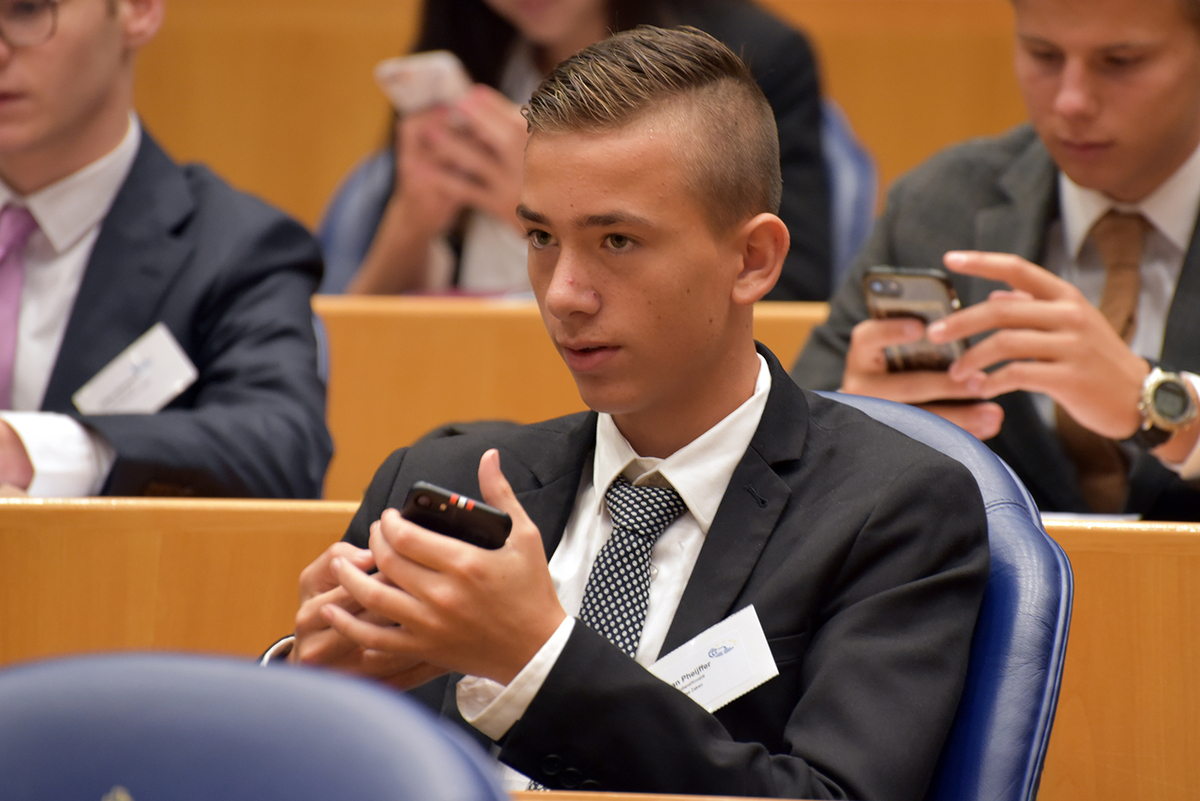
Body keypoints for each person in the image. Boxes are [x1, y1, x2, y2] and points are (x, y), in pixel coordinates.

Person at [272, 27, 989, 800]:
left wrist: (538, 659)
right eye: (541, 236)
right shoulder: (443, 480)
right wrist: (299, 689)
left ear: (753, 260)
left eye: (616, 240)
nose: (562, 293)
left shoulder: (893, 510)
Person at [792, 0, 1200, 520]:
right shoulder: (939, 204)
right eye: (1044, 55)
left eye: (1121, 62)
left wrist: (1165, 411)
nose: (1072, 101)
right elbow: (782, 459)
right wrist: (854, 428)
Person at [0, 0, 332, 497]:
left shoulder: (238, 247)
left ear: (137, 11)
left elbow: (281, 445)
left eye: (27, 10)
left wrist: (29, 451)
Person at [321, 0, 832, 301]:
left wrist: (543, 215)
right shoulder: (461, 45)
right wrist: (413, 220)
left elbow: (789, 299)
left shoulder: (746, 54)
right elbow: (364, 338)